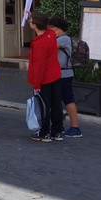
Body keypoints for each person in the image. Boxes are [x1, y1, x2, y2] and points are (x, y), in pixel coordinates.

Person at [27, 11, 64, 142]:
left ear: (35, 25)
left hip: (45, 78)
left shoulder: (39, 43)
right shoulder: (51, 34)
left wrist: (36, 84)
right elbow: (46, 27)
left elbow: (39, 66)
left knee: (44, 106)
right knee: (56, 104)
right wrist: (33, 15)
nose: (29, 23)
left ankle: (44, 132)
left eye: (30, 21)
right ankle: (57, 131)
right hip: (55, 75)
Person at [48, 16, 83, 138]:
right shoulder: (61, 38)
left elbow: (48, 46)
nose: (50, 29)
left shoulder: (63, 39)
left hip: (64, 74)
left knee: (68, 99)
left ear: (58, 27)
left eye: (52, 27)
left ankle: (75, 127)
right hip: (62, 73)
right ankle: (61, 125)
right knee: (60, 99)